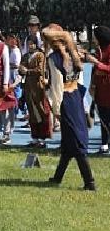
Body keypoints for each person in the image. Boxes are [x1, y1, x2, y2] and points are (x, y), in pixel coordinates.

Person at [44, 25, 95, 191]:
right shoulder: (74, 53)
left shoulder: (54, 59)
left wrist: (56, 109)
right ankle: (58, 177)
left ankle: (90, 182)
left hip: (65, 101)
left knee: (76, 141)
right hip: (76, 99)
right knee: (68, 142)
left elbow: (57, 86)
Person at [18, 35, 51, 147]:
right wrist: (21, 70)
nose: (30, 45)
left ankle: (42, 138)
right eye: (28, 43)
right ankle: (35, 137)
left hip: (38, 87)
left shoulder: (40, 55)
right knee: (32, 112)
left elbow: (39, 70)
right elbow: (21, 67)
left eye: (32, 43)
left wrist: (27, 71)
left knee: (40, 111)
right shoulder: (26, 56)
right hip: (28, 87)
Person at [86, 25, 110, 154]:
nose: (94, 39)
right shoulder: (98, 50)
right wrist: (92, 84)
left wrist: (96, 63)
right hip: (100, 90)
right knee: (103, 118)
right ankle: (104, 144)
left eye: (95, 36)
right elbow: (95, 71)